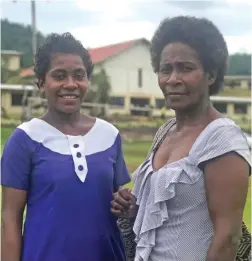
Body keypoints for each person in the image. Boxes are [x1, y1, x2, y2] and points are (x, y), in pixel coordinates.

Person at [111, 16, 251, 261]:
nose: (173, 79)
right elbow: (169, 218)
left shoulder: (221, 140)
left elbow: (227, 240)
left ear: (210, 75)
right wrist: (134, 210)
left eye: (185, 68)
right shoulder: (165, 132)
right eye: (166, 69)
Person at [1, 33, 130, 261]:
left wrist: (128, 207)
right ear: (41, 82)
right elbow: (10, 219)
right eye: (59, 76)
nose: (70, 84)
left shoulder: (109, 135)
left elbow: (118, 207)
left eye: (79, 75)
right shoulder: (25, 138)